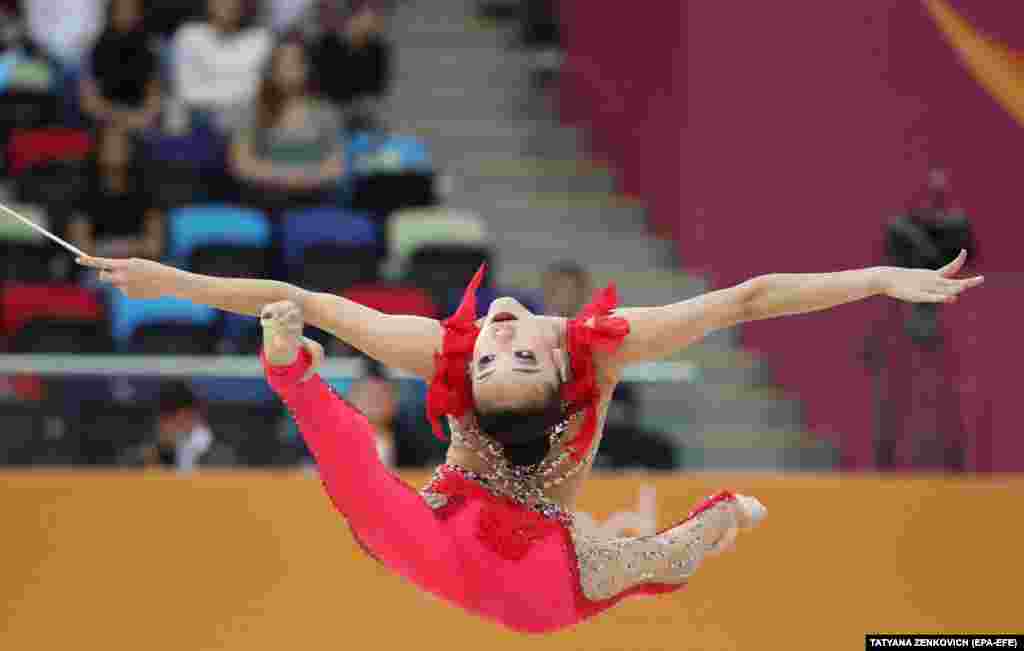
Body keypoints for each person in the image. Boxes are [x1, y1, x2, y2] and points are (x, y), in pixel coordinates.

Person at [77, 249, 983, 632]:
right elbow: (307, 300)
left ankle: (717, 523)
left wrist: (880, 279)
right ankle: (716, 524)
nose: (503, 332)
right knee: (646, 560)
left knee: (653, 557)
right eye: (509, 352)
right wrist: (164, 282)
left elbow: (749, 299)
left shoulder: (456, 350)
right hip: (509, 554)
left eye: (498, 354)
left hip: (531, 565)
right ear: (553, 368)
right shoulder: (586, 349)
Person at [229, 38, 344, 207]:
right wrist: (286, 177)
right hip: (262, 199)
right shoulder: (251, 111)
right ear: (272, 69)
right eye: (283, 63)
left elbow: (335, 166)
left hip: (313, 199)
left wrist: (304, 180)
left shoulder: (326, 112)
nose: (290, 69)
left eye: (296, 62)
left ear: (307, 68)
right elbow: (241, 164)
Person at [172, 0, 272, 134]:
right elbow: (187, 91)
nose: (229, 4)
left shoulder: (260, 39)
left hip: (246, 122)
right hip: (198, 119)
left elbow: (255, 91)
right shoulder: (188, 36)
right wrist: (232, 99)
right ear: (209, 3)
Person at [65, 125, 164, 258]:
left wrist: (110, 248)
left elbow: (154, 246)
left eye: (120, 145)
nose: (114, 150)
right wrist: (129, 247)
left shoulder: (147, 192)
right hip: (98, 268)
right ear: (98, 150)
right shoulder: (82, 193)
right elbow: (80, 248)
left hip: (137, 267)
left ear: (130, 150)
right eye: (109, 145)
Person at [78, 0, 162, 134]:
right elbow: (88, 99)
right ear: (111, 11)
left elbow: (154, 100)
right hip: (103, 120)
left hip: (138, 122)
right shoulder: (94, 46)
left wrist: (135, 119)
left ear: (138, 13)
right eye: (120, 8)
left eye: (130, 9)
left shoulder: (150, 48)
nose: (125, 14)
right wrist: (112, 116)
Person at [309, 0, 391, 131]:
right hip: (328, 110)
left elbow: (378, 90)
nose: (378, 20)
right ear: (355, 16)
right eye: (373, 14)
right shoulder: (325, 45)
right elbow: (318, 90)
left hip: (362, 112)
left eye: (379, 15)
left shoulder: (378, 49)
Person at [118, 382, 236, 471]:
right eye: (168, 420)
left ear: (196, 418)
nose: (175, 428)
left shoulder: (222, 457)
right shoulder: (141, 455)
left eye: (184, 420)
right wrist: (152, 459)